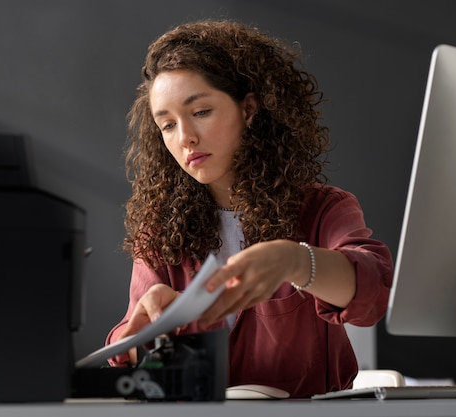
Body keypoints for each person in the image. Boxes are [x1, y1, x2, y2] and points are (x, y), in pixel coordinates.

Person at [105, 19, 394, 398]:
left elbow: (373, 295)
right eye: (167, 125)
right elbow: (133, 353)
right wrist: (142, 333)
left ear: (251, 109)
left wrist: (294, 261)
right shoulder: (159, 230)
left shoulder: (323, 209)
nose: (185, 137)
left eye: (201, 111)